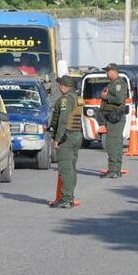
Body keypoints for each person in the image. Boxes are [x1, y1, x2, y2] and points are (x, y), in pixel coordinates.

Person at [48, 75, 82, 208]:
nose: (59, 87)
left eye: (60, 85)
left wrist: (57, 139)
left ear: (64, 86)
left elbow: (62, 120)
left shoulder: (65, 100)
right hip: (76, 135)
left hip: (66, 137)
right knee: (72, 168)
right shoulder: (77, 98)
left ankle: (66, 199)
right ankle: (69, 196)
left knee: (65, 169)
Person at [100, 63, 128, 178]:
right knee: (114, 143)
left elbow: (119, 99)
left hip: (115, 117)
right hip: (111, 117)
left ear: (114, 71)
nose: (106, 73)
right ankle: (114, 170)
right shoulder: (112, 84)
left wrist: (106, 97)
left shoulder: (118, 84)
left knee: (113, 144)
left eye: (108, 71)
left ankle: (114, 170)